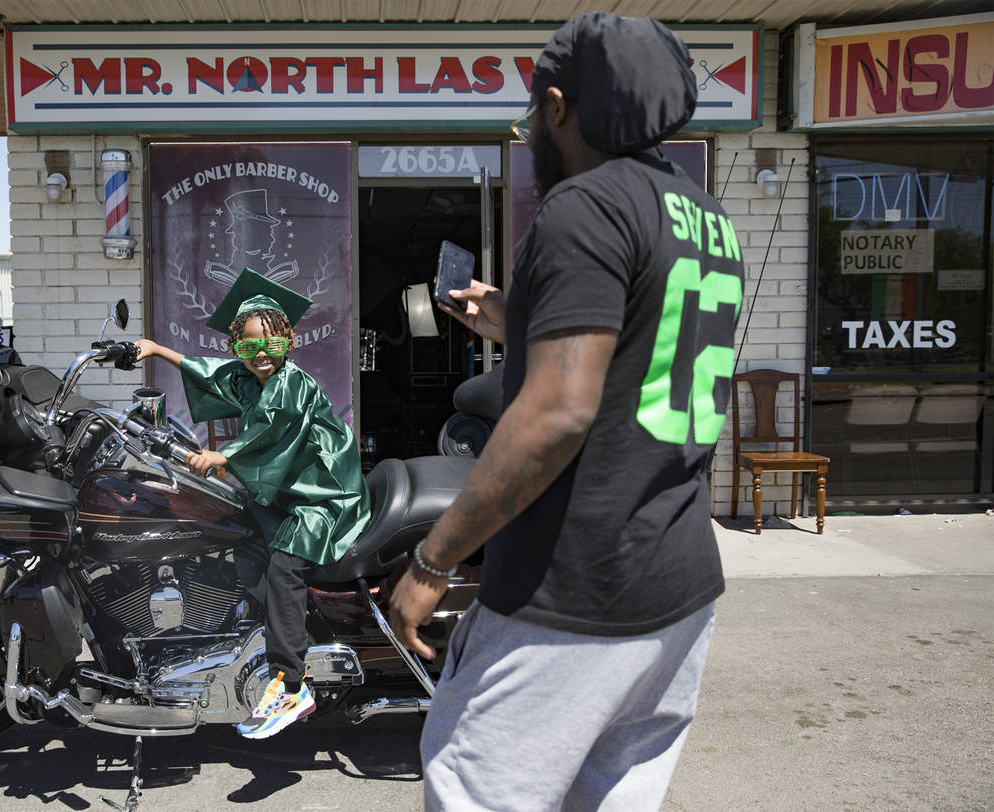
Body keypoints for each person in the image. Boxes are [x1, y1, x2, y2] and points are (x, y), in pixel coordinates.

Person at [388, 12, 745, 811]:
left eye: (529, 114)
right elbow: (639, 351)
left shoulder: (583, 207)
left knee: (478, 790)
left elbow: (556, 416)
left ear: (558, 107)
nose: (528, 133)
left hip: (576, 585)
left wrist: (431, 563)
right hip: (677, 585)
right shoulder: (704, 216)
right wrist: (516, 320)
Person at [135, 269, 370, 740]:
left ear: (288, 341)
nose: (261, 355)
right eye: (247, 347)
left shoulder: (292, 384)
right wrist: (158, 350)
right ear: (235, 348)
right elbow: (209, 372)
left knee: (284, 567)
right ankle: (254, 638)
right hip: (285, 490)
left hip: (320, 495)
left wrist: (223, 454)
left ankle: (290, 685)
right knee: (240, 541)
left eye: (271, 345)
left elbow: (273, 430)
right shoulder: (246, 377)